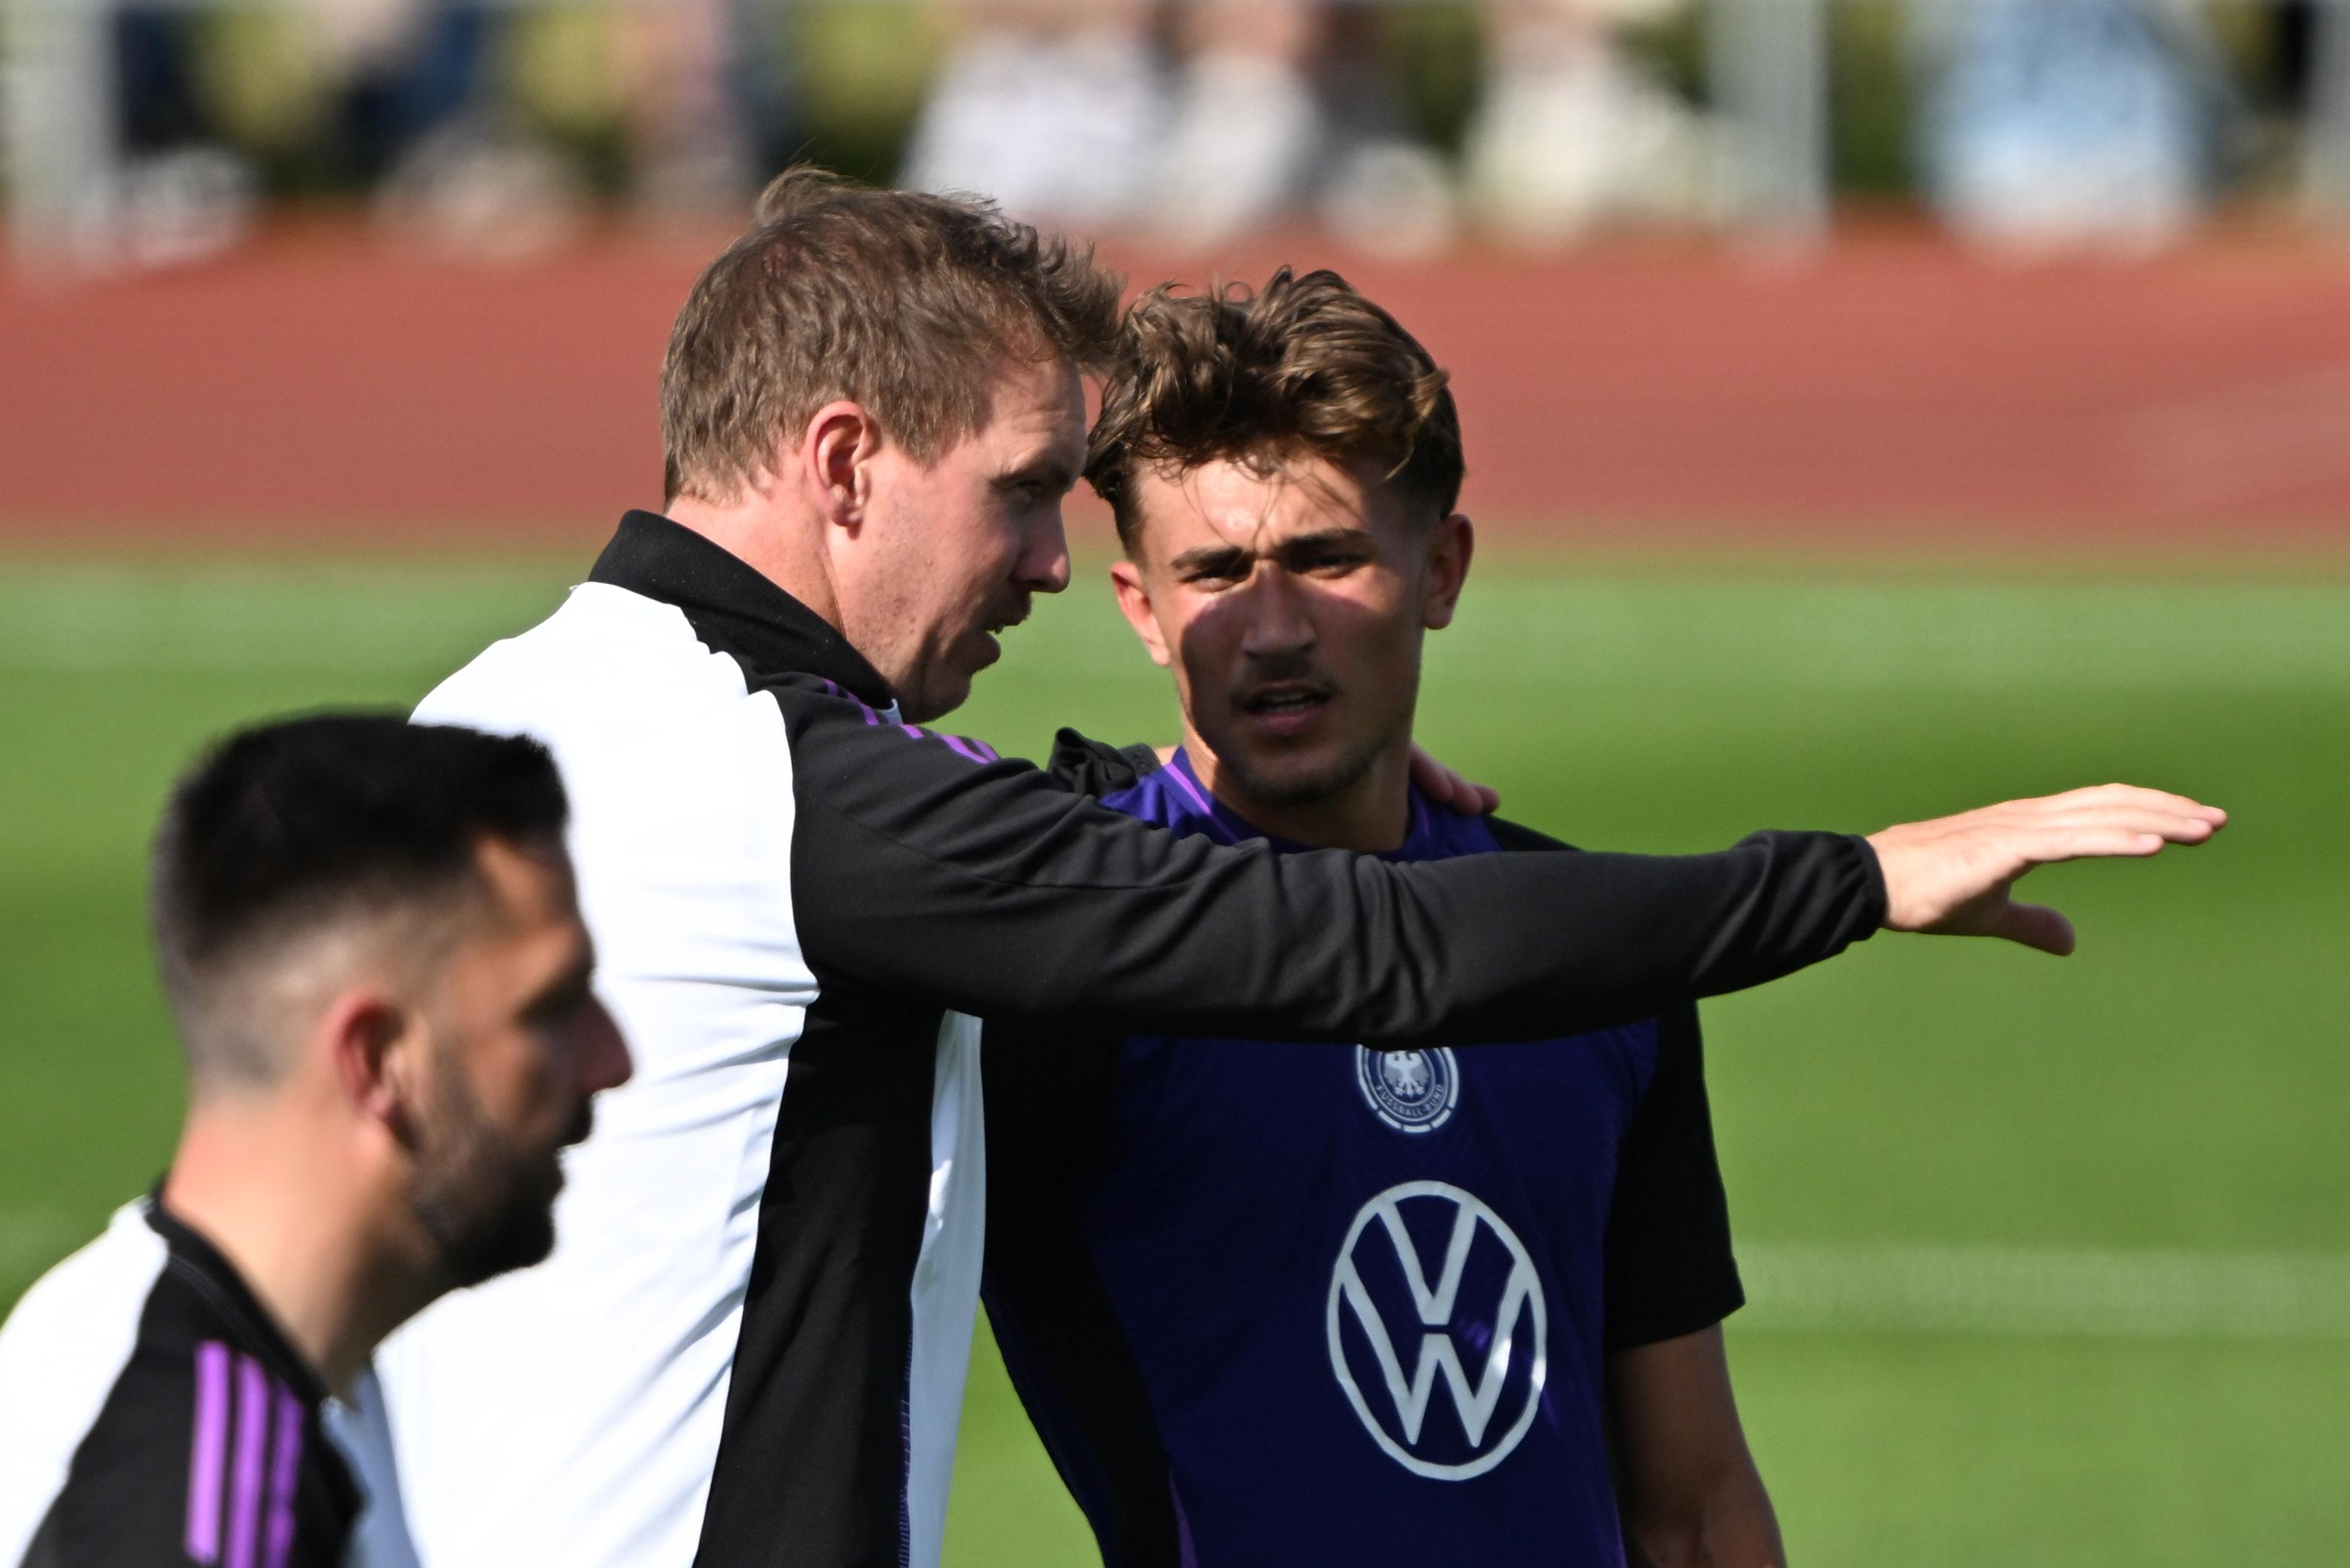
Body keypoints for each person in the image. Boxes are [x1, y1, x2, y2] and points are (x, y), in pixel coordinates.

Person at [377, 168, 2222, 1568]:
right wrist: (1858, 875)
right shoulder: (795, 800)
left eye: (1327, 564)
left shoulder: (504, 725)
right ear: (848, 459)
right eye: (1030, 491)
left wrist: (1334, 810)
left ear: (1440, 570)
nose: (1033, 557)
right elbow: (1294, 937)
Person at [982, 268, 1785, 1566]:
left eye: (1326, 558)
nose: (1271, 628)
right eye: (1214, 573)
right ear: (1141, 610)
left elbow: (1690, 1509)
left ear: (1442, 569)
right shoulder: (1058, 951)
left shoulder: (1586, 954)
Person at [0, 714, 632, 1566]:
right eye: (549, 1010)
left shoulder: (281, 1388)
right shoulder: (198, 1491)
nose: (611, 1059)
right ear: (378, 1062)